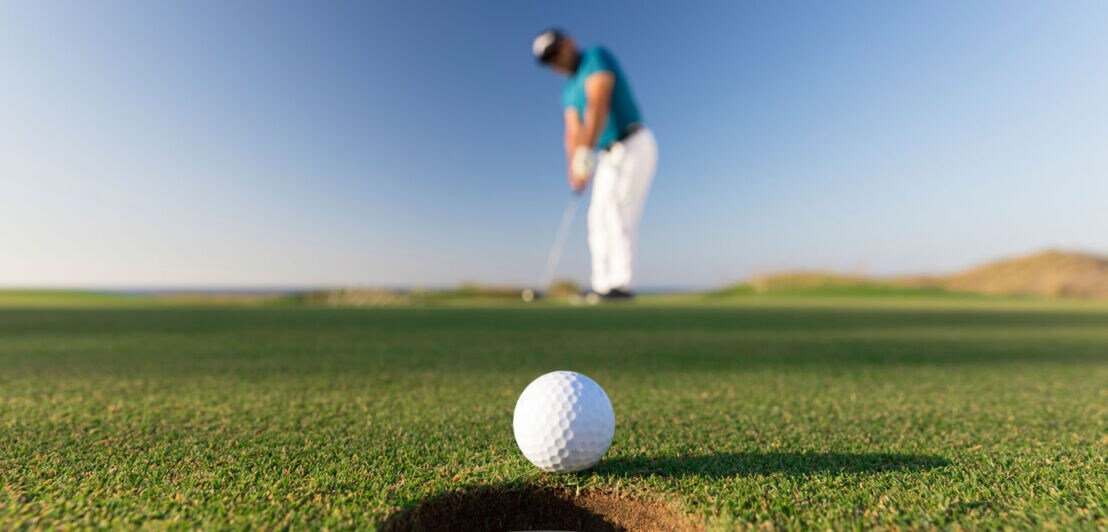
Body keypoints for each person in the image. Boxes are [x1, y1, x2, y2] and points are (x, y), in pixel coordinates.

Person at [533, 29, 658, 300]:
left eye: (555, 52)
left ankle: (620, 284)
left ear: (569, 44)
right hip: (605, 154)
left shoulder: (595, 57)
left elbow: (598, 103)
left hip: (633, 142)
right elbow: (572, 132)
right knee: (596, 218)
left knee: (617, 212)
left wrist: (585, 152)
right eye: (548, 60)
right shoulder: (568, 90)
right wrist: (574, 168)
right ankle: (601, 285)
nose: (554, 61)